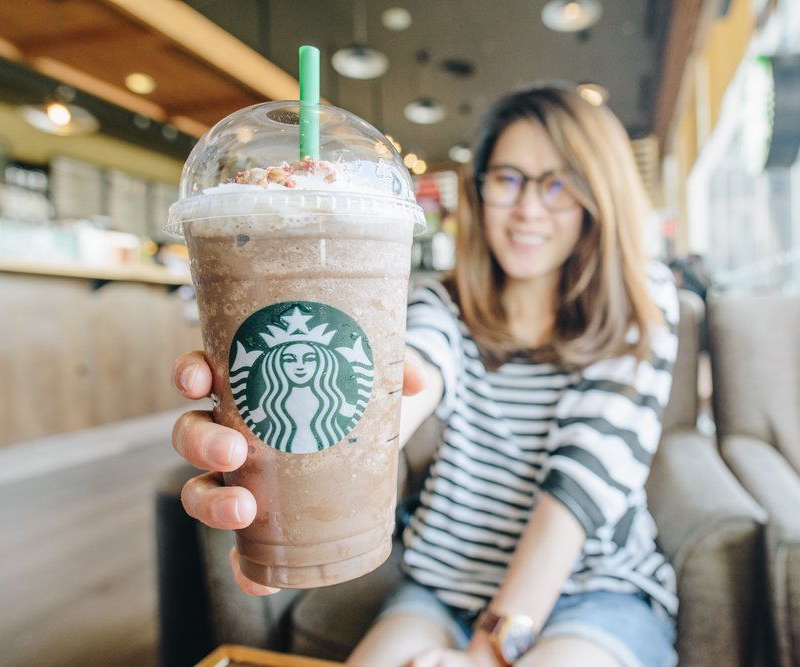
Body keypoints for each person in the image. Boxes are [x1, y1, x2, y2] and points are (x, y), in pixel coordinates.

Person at [172, 83, 680, 667]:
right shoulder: (441, 305)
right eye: (508, 178)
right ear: (479, 190)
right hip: (444, 582)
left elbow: (583, 483)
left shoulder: (643, 305)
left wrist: (491, 649)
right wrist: (294, 468)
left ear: (597, 194)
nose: (529, 209)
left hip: (598, 589)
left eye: (558, 183)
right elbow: (403, 381)